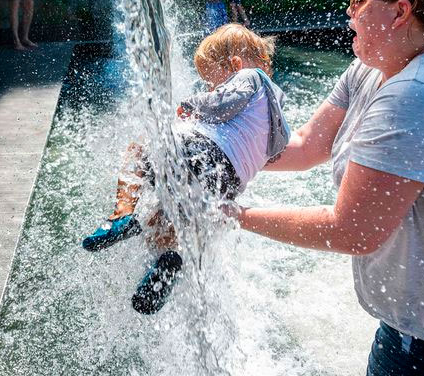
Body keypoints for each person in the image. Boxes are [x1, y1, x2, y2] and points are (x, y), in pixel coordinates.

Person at [224, 0, 424, 375]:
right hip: (410, 333)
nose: (348, 11)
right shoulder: (371, 68)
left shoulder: (418, 92)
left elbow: (352, 229)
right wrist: (212, 152)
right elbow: (305, 145)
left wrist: (232, 215)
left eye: (359, 0)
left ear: (400, 12)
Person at [82, 24, 290, 314]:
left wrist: (192, 105)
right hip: (225, 184)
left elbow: (225, 102)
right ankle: (168, 260)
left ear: (235, 65)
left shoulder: (249, 76)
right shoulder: (276, 114)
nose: (210, 89)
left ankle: (121, 215)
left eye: (211, 83)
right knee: (163, 218)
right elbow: (276, 150)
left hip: (202, 156)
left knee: (139, 146)